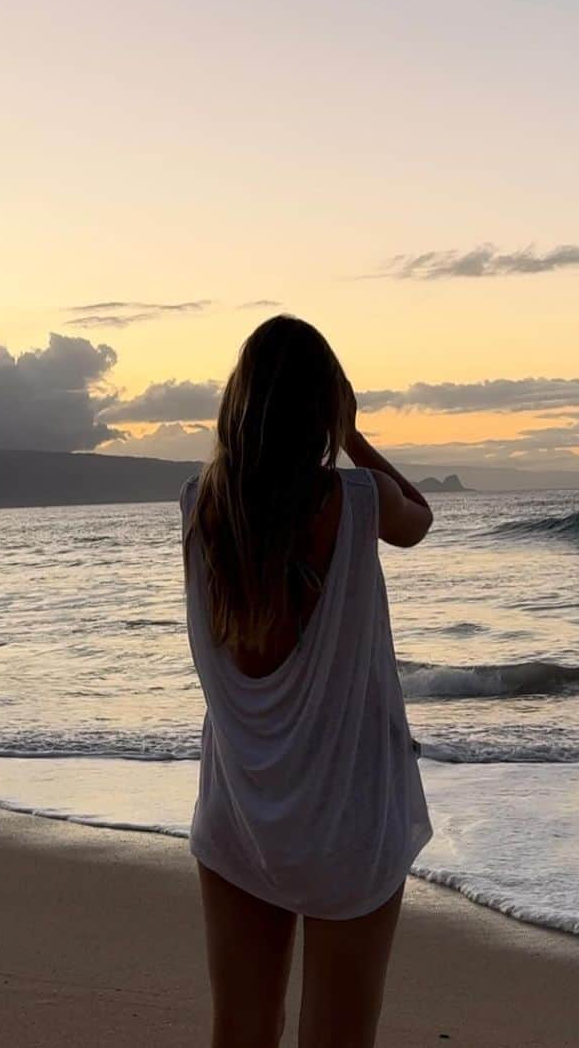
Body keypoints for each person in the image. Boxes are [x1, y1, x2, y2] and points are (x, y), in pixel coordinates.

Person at [180, 314, 434, 1048]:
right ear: (324, 406)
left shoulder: (200, 506)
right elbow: (419, 519)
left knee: (241, 1031)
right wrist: (352, 436)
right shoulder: (359, 502)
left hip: (240, 810)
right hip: (350, 814)